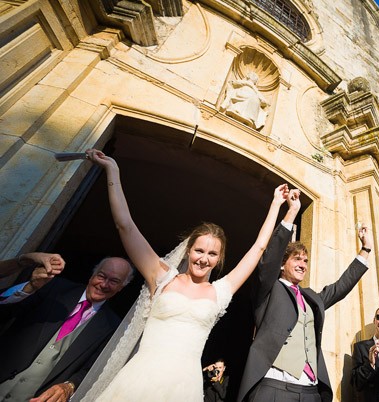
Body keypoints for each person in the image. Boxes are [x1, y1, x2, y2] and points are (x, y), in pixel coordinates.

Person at [83, 148, 289, 401]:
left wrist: (277, 205)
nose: (204, 258)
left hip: (184, 387)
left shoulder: (220, 291)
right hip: (140, 380)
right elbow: (125, 224)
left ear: (219, 259)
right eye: (199, 250)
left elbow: (259, 248)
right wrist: (112, 170)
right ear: (188, 250)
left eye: (212, 254)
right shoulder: (162, 276)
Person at [236, 197, 374, 402]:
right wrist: (292, 212)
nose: (303, 265)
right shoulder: (268, 288)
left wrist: (366, 249)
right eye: (297, 259)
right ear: (282, 265)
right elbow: (270, 258)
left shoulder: (311, 297)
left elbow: (340, 287)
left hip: (310, 391)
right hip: (274, 387)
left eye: (306, 261)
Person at [0, 256, 134, 402]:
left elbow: (93, 369)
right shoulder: (55, 287)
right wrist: (30, 287)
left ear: (121, 287)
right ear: (93, 275)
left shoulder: (113, 327)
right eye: (101, 276)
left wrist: (70, 386)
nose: (104, 284)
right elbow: (5, 310)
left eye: (114, 281)